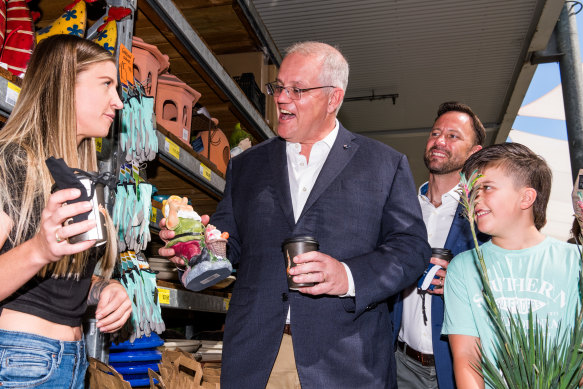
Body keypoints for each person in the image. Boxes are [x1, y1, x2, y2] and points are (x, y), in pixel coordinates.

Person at [159, 41, 430, 388]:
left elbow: (411, 249)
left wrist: (347, 276)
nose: (282, 98)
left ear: (334, 98)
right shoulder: (247, 166)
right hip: (258, 358)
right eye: (279, 87)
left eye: (297, 90)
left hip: (345, 362)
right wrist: (195, 247)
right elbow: (230, 240)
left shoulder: (384, 164)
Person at [0, 35, 131, 388]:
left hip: (69, 361)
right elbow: (40, 256)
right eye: (106, 84)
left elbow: (59, 283)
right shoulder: (12, 161)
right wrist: (39, 250)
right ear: (63, 86)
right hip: (22, 361)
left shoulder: (72, 174)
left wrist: (103, 289)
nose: (118, 102)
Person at [442, 142, 581, 388]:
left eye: (486, 187)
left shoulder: (575, 261)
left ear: (526, 197)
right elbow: (467, 357)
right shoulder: (463, 268)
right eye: (472, 190)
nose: (475, 197)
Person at [391, 102, 488, 388]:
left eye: (453, 136)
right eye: (435, 133)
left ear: (474, 153)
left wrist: (461, 287)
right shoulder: (401, 208)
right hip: (399, 363)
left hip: (456, 368)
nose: (439, 141)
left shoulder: (482, 213)